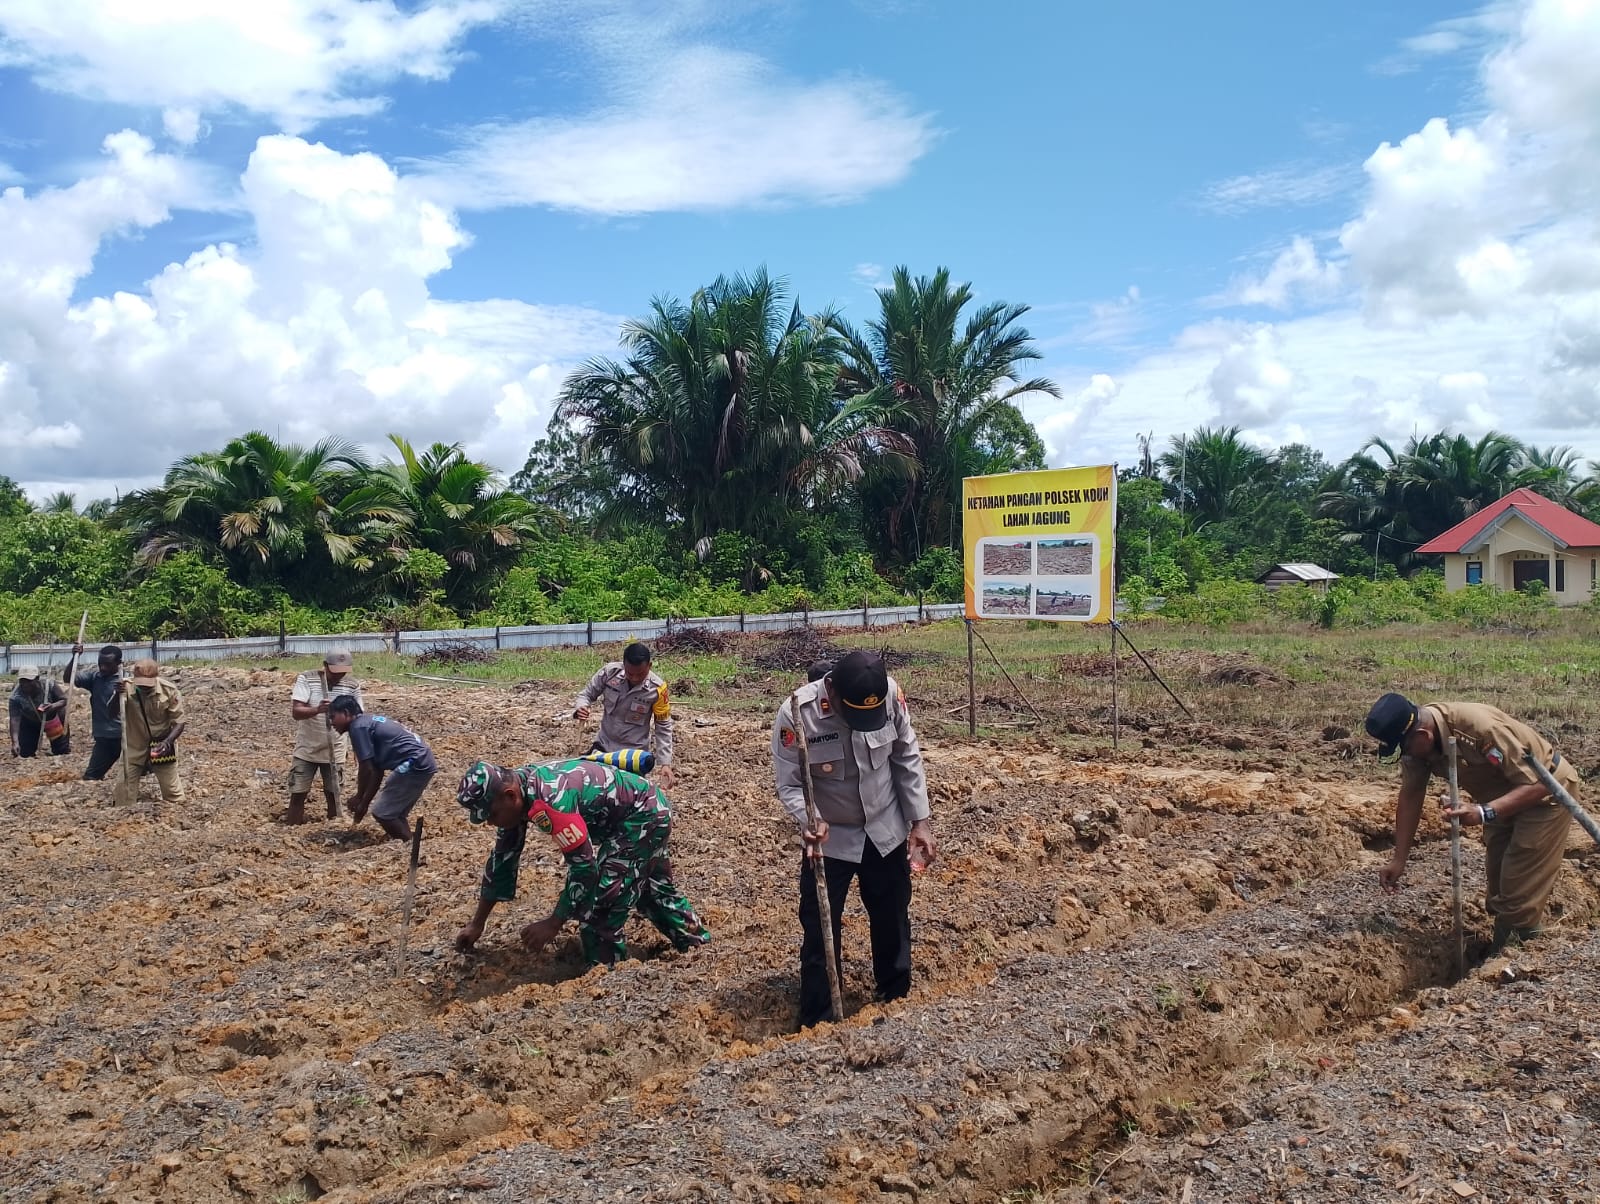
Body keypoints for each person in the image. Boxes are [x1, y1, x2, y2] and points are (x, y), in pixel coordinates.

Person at [771, 649, 937, 1027]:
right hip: (831, 838)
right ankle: (818, 1018)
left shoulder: (891, 695)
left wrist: (920, 822)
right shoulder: (797, 712)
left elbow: (906, 756)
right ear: (831, 688)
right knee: (819, 927)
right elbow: (790, 783)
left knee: (892, 914)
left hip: (885, 829)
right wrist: (810, 818)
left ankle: (895, 998)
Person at [1366, 691, 1581, 948]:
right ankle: (1506, 942)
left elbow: (1544, 783)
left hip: (1545, 799)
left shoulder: (1479, 730)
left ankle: (1520, 960)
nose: (1405, 756)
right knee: (1498, 890)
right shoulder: (1420, 743)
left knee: (1517, 897)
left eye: (1404, 749)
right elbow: (1411, 794)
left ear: (1423, 736)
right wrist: (1399, 859)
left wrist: (1483, 812)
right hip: (1500, 798)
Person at [453, 757, 710, 966]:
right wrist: (477, 923)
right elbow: (502, 862)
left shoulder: (550, 802)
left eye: (492, 815)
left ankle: (609, 979)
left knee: (599, 906)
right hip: (640, 813)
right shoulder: (517, 793)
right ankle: (700, 949)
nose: (490, 822)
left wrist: (554, 922)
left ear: (510, 796)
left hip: (642, 817)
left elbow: (585, 868)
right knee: (652, 891)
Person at [328, 695, 435, 842]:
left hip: (414, 763)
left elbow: (366, 769)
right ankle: (411, 845)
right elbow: (376, 771)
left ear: (346, 713)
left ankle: (410, 846)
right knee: (394, 814)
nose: (331, 722)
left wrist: (359, 797)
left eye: (333, 717)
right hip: (422, 760)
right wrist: (363, 803)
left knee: (383, 813)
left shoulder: (357, 727)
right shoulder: (366, 722)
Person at [573, 642, 676, 788]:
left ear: (650, 666)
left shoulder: (658, 689)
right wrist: (581, 707)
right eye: (630, 673)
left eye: (640, 674)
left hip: (633, 755)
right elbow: (586, 694)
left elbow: (663, 726)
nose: (634, 678)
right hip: (604, 747)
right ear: (623, 665)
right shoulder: (609, 673)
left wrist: (665, 763)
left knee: (627, 795)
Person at [285, 650, 362, 824]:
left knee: (334, 794)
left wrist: (359, 748)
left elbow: (358, 718)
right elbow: (296, 712)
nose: (338, 676)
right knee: (298, 793)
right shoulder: (307, 679)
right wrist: (317, 710)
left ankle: (334, 828)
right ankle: (292, 827)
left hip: (336, 748)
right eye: (334, 672)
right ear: (325, 666)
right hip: (308, 748)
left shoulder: (352, 685)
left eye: (342, 672)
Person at [114, 660, 186, 806]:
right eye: (140, 684)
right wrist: (117, 696)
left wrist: (168, 742)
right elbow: (111, 714)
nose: (144, 688)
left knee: (173, 793)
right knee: (124, 792)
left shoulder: (169, 690)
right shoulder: (125, 688)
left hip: (161, 746)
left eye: (148, 685)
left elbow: (179, 722)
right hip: (134, 747)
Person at [67, 644, 124, 780]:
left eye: (108, 664)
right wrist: (74, 658)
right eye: (100, 664)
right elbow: (69, 679)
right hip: (104, 738)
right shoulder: (95, 678)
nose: (103, 667)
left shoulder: (126, 682)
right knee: (91, 777)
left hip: (126, 737)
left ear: (118, 663)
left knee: (143, 772)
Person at [9, 666, 71, 758]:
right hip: (30, 721)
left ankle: (59, 745)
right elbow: (14, 719)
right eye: (22, 681)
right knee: (25, 753)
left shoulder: (49, 685)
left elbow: (64, 700)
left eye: (29, 681)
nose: (25, 684)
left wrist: (53, 706)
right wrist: (15, 742)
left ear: (37, 679)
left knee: (61, 751)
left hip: (53, 718)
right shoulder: (15, 696)